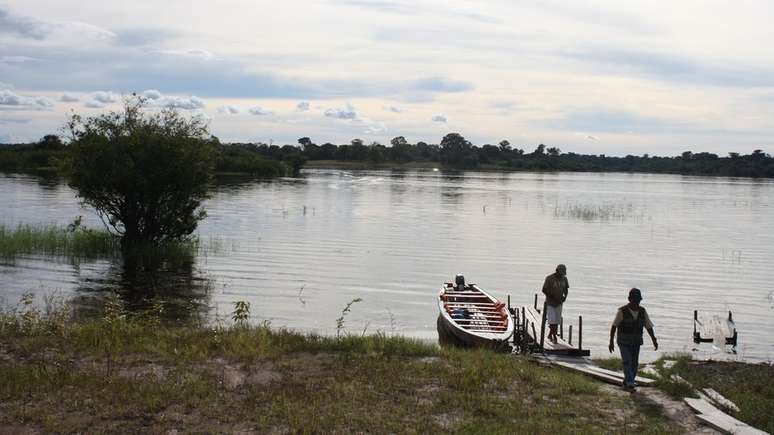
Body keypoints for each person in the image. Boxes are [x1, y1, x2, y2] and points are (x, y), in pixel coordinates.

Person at [608, 288, 658, 392]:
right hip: (623, 342)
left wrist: (654, 340)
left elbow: (648, 327)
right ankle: (630, 383)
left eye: (638, 300)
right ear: (629, 299)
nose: (636, 303)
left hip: (636, 342)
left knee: (634, 363)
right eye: (634, 300)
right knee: (627, 361)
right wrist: (611, 341)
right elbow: (614, 326)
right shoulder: (622, 311)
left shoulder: (642, 311)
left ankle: (628, 382)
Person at [542, 264, 568, 343]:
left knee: (557, 321)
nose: (562, 275)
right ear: (557, 271)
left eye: (563, 273)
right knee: (552, 320)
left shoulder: (564, 279)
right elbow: (544, 290)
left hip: (559, 303)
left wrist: (564, 297)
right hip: (550, 303)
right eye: (561, 273)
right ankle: (554, 336)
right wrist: (552, 297)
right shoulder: (549, 278)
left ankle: (550, 334)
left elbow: (566, 289)